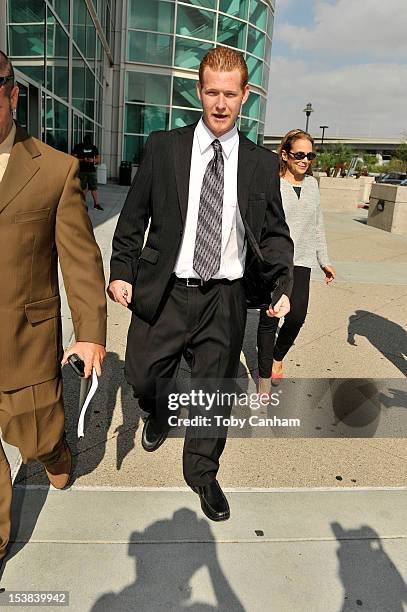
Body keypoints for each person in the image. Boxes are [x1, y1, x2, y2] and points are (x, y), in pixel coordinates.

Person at [108, 47, 293, 522]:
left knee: (213, 391)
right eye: (212, 91)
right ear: (199, 90)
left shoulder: (257, 163)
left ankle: (203, 472)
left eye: (230, 94)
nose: (220, 103)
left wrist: (281, 285)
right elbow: (133, 218)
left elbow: (273, 233)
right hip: (166, 287)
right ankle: (160, 409)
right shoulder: (164, 147)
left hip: (225, 296)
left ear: (245, 95)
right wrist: (122, 271)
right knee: (143, 375)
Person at [0, 51, 107, 574]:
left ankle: (55, 451)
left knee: (37, 435)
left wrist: (90, 331)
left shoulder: (55, 169)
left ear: (12, 93)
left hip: (26, 339)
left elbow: (81, 260)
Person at [257, 129, 336, 393]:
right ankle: (264, 376)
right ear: (284, 154)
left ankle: (278, 355)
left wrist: (324, 259)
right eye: (299, 154)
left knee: (297, 316)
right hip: (275, 260)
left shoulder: (313, 185)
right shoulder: (273, 184)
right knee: (269, 319)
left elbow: (317, 225)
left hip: (301, 260)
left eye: (309, 155)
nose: (305, 160)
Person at [72, 134, 103, 210]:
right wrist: (82, 160)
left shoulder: (93, 147)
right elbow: (73, 157)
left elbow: (98, 159)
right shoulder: (79, 147)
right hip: (82, 170)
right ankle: (82, 204)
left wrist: (93, 160)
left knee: (93, 187)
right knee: (83, 188)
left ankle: (96, 204)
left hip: (91, 170)